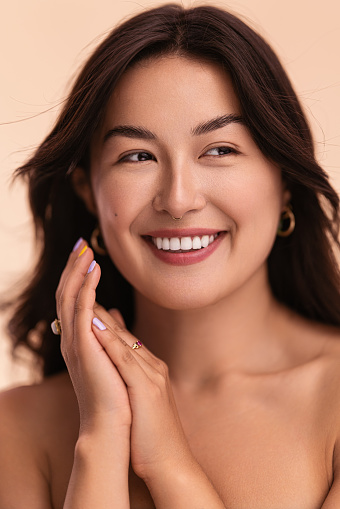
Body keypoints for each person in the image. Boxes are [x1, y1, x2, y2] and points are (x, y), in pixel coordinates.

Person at [0, 3, 340, 508]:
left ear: (284, 178)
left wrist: (168, 463)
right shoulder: (16, 430)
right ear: (88, 191)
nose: (178, 199)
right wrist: (101, 435)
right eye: (137, 156)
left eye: (220, 150)